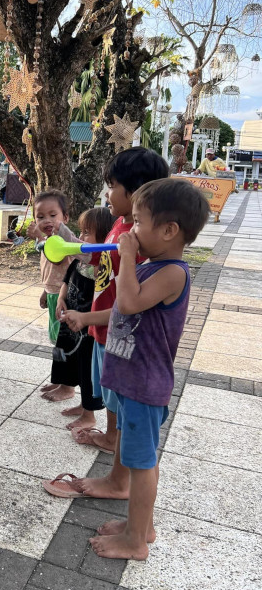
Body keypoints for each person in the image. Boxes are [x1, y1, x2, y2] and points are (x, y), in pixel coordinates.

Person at [89, 178, 209, 560]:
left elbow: (129, 301)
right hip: (131, 379)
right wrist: (83, 315)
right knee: (129, 446)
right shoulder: (152, 267)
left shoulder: (173, 273)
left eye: (138, 222)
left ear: (169, 230)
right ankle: (141, 525)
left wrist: (126, 258)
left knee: (142, 465)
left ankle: (135, 541)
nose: (132, 230)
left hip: (145, 384)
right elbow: (124, 308)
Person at [43, 147, 169, 499]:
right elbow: (101, 261)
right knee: (111, 394)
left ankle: (119, 481)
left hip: (120, 334)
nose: (106, 194)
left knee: (126, 404)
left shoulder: (141, 239)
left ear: (138, 190)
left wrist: (87, 317)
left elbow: (131, 307)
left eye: (112, 185)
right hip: (104, 330)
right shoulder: (119, 225)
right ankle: (112, 438)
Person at [54, 207, 115, 431]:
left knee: (90, 375)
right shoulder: (79, 263)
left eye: (86, 233)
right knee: (77, 367)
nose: (80, 238)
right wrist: (61, 298)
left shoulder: (101, 268)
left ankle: (89, 415)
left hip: (89, 328)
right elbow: (67, 280)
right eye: (80, 232)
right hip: (72, 323)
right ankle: (81, 404)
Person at [26, 190, 75, 402]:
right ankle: (59, 379)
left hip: (66, 297)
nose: (47, 220)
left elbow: (55, 260)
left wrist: (39, 238)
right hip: (54, 294)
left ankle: (68, 386)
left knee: (64, 342)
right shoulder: (49, 239)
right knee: (56, 341)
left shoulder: (61, 241)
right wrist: (45, 291)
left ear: (65, 217)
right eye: (40, 216)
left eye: (53, 215)